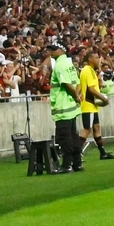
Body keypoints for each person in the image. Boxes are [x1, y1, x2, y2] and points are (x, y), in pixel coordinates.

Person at [48, 43, 83, 172]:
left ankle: (66, 165)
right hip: (72, 108)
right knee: (74, 136)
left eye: (53, 49)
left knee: (64, 138)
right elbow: (77, 82)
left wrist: (76, 96)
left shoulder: (60, 65)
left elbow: (67, 84)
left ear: (61, 50)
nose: (50, 52)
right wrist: (77, 96)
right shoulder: (69, 63)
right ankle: (77, 164)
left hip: (63, 107)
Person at [78, 51, 114, 160]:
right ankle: (77, 153)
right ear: (90, 59)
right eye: (96, 57)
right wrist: (103, 98)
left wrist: (99, 79)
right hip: (88, 104)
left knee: (96, 127)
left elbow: (96, 87)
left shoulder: (91, 71)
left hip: (92, 105)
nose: (98, 60)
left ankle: (103, 153)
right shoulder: (87, 70)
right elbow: (91, 89)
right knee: (87, 129)